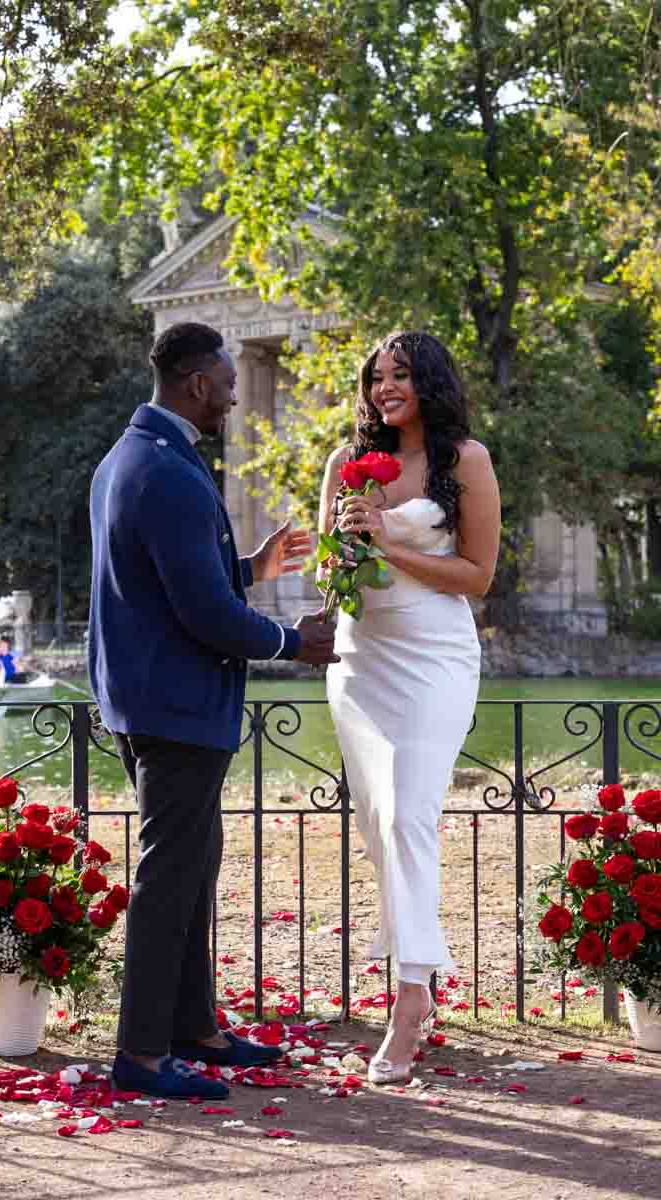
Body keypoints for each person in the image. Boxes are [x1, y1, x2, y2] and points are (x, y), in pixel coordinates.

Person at [88, 321, 339, 1101]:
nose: (234, 398)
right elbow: (201, 614)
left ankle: (195, 1028)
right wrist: (295, 641)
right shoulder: (164, 470)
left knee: (193, 868)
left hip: (150, 699)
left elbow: (172, 580)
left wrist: (251, 567)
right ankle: (140, 1054)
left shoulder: (132, 458)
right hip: (174, 705)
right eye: (228, 386)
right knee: (169, 879)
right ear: (197, 383)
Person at [319, 331, 500, 1085]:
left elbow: (477, 574)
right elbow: (329, 570)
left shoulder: (468, 460)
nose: (385, 386)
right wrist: (341, 544)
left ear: (428, 381)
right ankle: (415, 974)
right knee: (378, 827)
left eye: (400, 374)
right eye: (375, 376)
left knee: (409, 818)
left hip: (434, 658)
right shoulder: (343, 463)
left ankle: (409, 1003)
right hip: (361, 660)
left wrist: (389, 546)